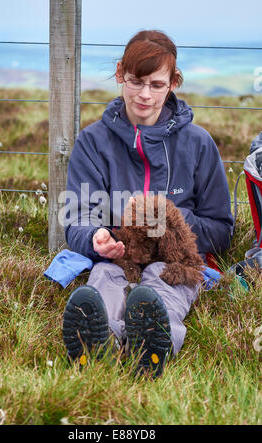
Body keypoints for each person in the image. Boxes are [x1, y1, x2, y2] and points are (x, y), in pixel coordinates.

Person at [61, 30, 233, 377]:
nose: (144, 94)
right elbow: (77, 217)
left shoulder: (199, 144)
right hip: (120, 255)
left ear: (173, 83)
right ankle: (97, 343)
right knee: (104, 277)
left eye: (157, 84)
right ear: (121, 73)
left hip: (177, 260)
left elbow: (221, 229)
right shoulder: (92, 142)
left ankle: (152, 349)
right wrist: (96, 238)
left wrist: (170, 221)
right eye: (136, 81)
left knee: (161, 288)